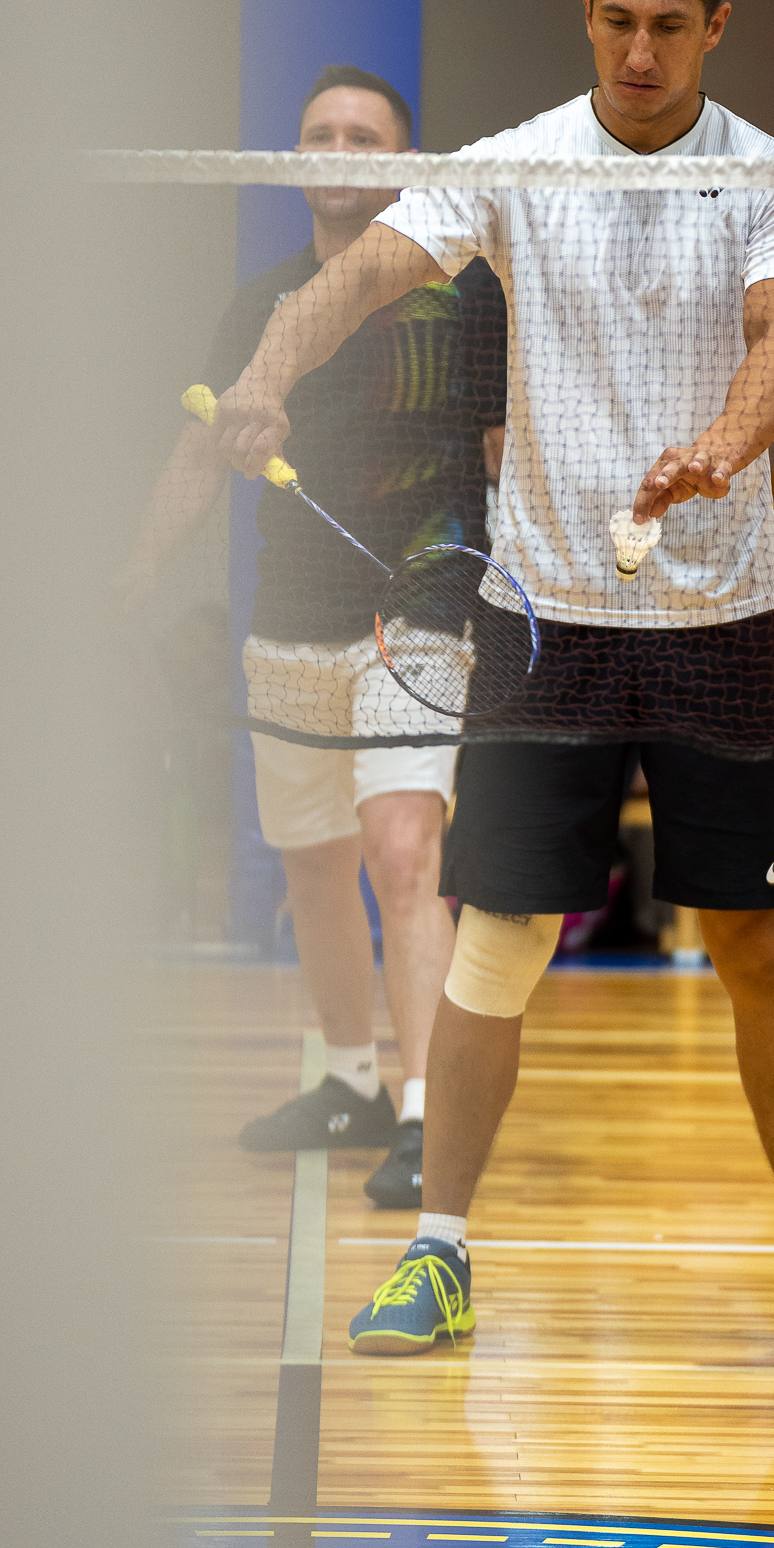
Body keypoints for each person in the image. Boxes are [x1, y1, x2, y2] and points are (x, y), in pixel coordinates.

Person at [209, 0, 774, 1366]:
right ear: (585, 14)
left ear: (716, 26)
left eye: (670, 25)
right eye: (617, 21)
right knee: (497, 948)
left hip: (717, 622)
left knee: (757, 945)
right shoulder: (512, 166)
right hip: (544, 629)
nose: (640, 51)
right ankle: (439, 1253)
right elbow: (357, 278)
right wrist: (267, 372)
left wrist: (720, 448)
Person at [122, 65, 505, 1208]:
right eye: (319, 134)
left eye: (362, 135)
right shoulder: (262, 306)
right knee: (314, 861)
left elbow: (507, 446)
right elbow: (203, 448)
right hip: (290, 617)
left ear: (402, 164)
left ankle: (429, 1111)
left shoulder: (459, 293)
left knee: (404, 852)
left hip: (419, 609)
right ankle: (349, 1082)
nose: (338, 150)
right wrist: (135, 568)